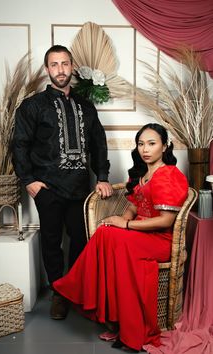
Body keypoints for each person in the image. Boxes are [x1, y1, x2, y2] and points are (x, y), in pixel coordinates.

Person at [53, 123, 189, 352]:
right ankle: (114, 318)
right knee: (106, 233)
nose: (145, 149)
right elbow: (134, 207)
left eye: (152, 144)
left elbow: (166, 221)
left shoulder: (168, 175)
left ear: (165, 146)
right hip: (141, 234)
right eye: (141, 144)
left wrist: (125, 225)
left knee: (113, 238)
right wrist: (122, 218)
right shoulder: (144, 174)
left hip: (160, 240)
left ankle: (75, 288)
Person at [12, 45, 113, 320]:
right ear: (48, 69)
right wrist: (29, 181)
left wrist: (102, 177)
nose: (60, 70)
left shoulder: (86, 106)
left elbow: (98, 143)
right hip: (47, 188)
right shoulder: (33, 106)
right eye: (54, 64)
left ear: (72, 67)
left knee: (80, 239)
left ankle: (75, 289)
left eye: (65, 64)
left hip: (80, 187)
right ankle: (59, 293)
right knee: (52, 241)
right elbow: (19, 144)